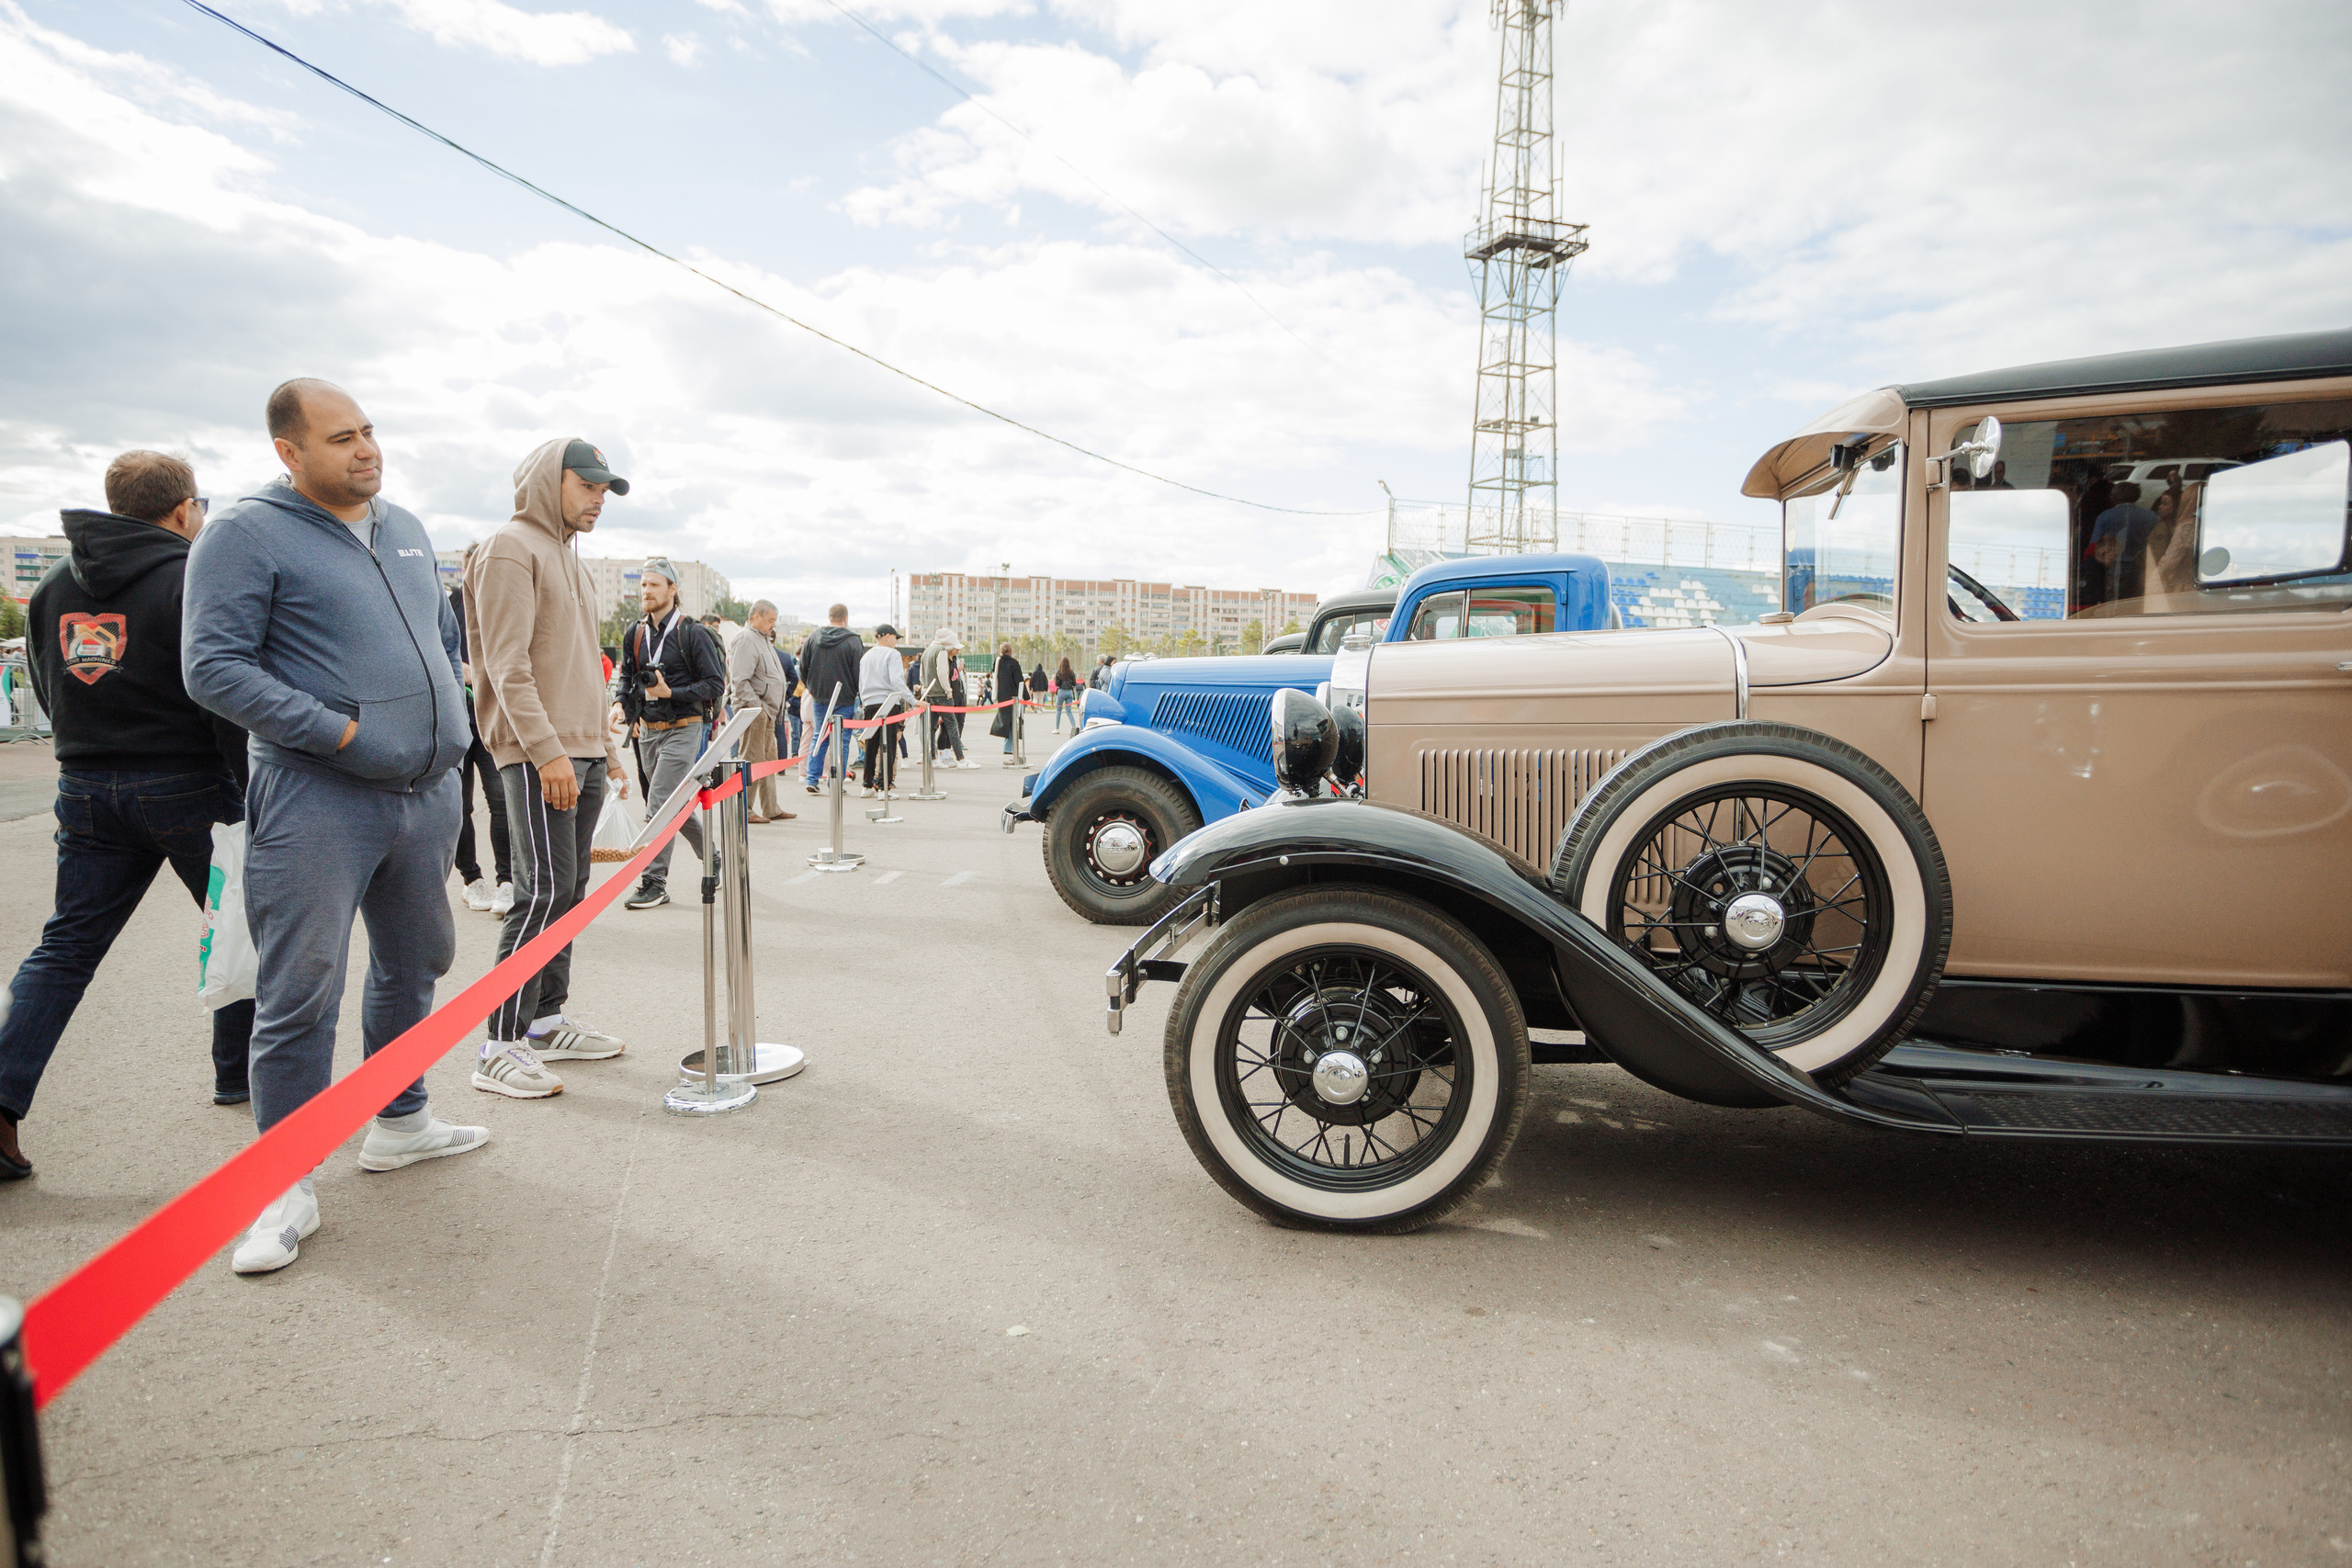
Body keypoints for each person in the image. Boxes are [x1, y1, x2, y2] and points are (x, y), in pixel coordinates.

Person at [184, 378, 485, 1274]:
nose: (366, 450)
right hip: (317, 797)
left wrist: (449, 719)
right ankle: (284, 1183)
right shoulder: (243, 536)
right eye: (341, 437)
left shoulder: (404, 528)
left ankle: (400, 1119)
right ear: (290, 451)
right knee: (301, 987)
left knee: (418, 958)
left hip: (426, 792)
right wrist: (343, 732)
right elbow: (213, 669)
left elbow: (439, 637)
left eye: (370, 432)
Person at [0, 452, 254, 1183]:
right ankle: (237, 1073)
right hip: (187, 784)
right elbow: (219, 693)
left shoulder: (51, 587)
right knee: (237, 919)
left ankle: (3, 1097)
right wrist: (249, 791)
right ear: (182, 510)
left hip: (85, 785)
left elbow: (50, 688)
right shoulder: (190, 578)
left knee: (66, 946)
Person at [464, 438, 636, 1097]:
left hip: (582, 749)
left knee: (567, 893)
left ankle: (545, 1020)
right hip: (541, 755)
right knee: (538, 894)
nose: (598, 499)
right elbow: (506, 666)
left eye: (604, 490)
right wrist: (548, 753)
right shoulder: (511, 546)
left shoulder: (568, 554)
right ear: (548, 481)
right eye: (587, 485)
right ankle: (499, 1044)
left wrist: (606, 749)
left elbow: (582, 665)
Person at [616, 558, 726, 910]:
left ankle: (654, 882)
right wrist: (621, 703)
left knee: (658, 803)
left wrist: (671, 694)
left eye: (654, 585)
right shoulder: (635, 632)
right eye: (643, 585)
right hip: (646, 730)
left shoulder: (692, 633)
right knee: (669, 803)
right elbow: (627, 676)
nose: (645, 591)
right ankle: (710, 853)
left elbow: (714, 684)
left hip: (684, 728)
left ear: (673, 590)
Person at [447, 544, 514, 917]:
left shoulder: (503, 602)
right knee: (459, 806)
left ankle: (507, 881)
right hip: (455, 722)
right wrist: (456, 665)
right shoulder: (445, 605)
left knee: (502, 801)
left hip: (493, 720)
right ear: (464, 568)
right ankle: (472, 880)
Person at [729, 599, 795, 823]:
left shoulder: (762, 639)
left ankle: (770, 807)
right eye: (770, 620)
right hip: (754, 711)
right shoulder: (747, 639)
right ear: (756, 616)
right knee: (751, 760)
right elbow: (739, 680)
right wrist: (757, 708)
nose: (773, 625)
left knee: (767, 760)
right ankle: (744, 809)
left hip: (765, 711)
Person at [798, 604, 865, 794]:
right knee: (842, 741)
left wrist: (812, 688)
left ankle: (811, 778)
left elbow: (803, 667)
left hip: (819, 696)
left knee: (819, 736)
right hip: (845, 698)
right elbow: (858, 672)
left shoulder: (813, 637)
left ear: (829, 617)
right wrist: (856, 692)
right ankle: (836, 782)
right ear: (846, 618)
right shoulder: (853, 641)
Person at [856, 624, 912, 795]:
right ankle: (883, 787)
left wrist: (865, 702)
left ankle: (866, 785)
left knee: (871, 745)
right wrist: (912, 700)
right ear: (888, 636)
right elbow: (896, 681)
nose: (896, 641)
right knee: (888, 745)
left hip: (869, 703)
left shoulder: (866, 656)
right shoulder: (892, 654)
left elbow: (861, 682)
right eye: (895, 637)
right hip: (888, 703)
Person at [920, 627, 973, 769]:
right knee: (952, 726)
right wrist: (948, 691)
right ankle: (961, 759)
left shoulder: (927, 651)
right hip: (942, 695)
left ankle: (933, 758)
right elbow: (942, 673)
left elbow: (921, 674)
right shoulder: (941, 651)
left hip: (929, 694)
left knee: (931, 728)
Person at [995, 642, 1023, 764]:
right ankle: (1010, 747)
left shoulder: (997, 662)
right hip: (1013, 697)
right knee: (1013, 722)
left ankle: (1007, 746)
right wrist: (1025, 696)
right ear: (1010, 651)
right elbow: (1019, 680)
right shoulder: (1014, 663)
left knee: (1005, 721)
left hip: (1002, 696)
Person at [1052, 656, 1080, 731]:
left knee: (1058, 710)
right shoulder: (1071, 672)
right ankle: (1074, 727)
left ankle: (1057, 729)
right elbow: (1074, 683)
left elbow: (1057, 683)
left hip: (1061, 691)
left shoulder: (1058, 672)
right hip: (1069, 692)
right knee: (1069, 710)